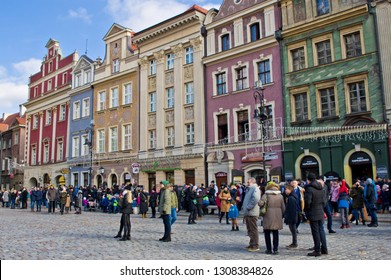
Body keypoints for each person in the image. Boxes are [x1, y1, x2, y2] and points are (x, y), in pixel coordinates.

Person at [305, 173, 328, 257]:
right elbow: (324, 201)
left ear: (309, 180)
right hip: (320, 210)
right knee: (321, 230)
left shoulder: (310, 189)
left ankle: (317, 250)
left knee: (315, 232)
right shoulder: (321, 188)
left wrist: (306, 209)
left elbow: (308, 202)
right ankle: (324, 248)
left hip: (313, 211)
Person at [259, 181, 285, 255]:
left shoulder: (266, 195)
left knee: (267, 232)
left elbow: (260, 203)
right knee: (275, 232)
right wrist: (282, 215)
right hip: (277, 214)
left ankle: (269, 249)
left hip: (268, 214)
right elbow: (283, 207)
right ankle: (276, 249)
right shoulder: (280, 195)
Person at [242, 177, 261, 252]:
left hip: (252, 212)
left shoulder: (255, 188)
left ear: (252, 182)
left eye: (248, 182)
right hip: (249, 212)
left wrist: (248, 207)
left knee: (253, 229)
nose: (247, 183)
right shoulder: (250, 189)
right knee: (250, 229)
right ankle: (251, 243)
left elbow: (256, 199)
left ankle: (255, 245)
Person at [284, 184, 299, 249]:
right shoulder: (291, 197)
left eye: (286, 189)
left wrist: (291, 218)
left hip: (292, 217)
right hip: (291, 216)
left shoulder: (291, 198)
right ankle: (294, 243)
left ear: (290, 190)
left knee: (293, 230)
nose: (285, 191)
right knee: (293, 230)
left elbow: (292, 209)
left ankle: (294, 243)